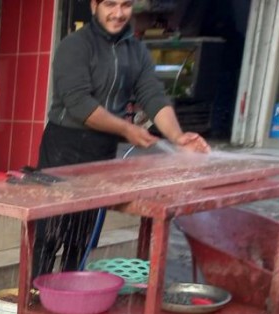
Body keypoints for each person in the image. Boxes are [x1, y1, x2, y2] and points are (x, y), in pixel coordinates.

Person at [32, 0, 210, 278]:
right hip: (63, 148)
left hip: (102, 150)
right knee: (50, 234)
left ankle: (69, 302)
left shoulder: (136, 51)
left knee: (82, 237)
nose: (118, 13)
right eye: (110, 4)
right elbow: (78, 103)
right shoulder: (75, 46)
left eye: (125, 5)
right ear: (94, 6)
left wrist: (177, 136)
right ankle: (35, 295)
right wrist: (127, 130)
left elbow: (152, 96)